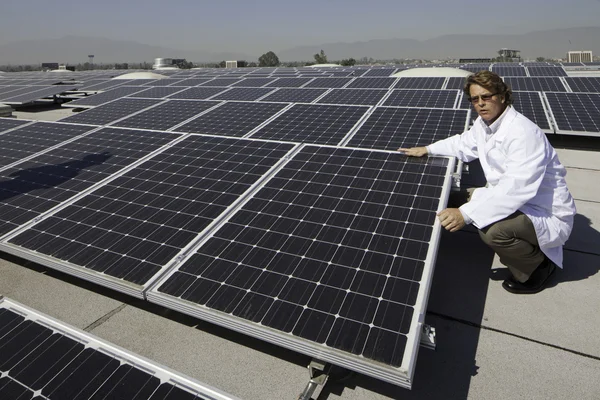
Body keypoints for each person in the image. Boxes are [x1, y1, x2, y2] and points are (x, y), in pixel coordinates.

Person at [399, 70, 576, 294]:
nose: (481, 104)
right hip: (512, 199)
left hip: (542, 210)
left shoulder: (523, 133)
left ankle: (537, 267)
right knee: (453, 198)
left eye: (487, 96)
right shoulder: (485, 125)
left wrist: (465, 214)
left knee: (493, 230)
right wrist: (428, 149)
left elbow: (515, 190)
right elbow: (463, 143)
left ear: (502, 96)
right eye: (475, 99)